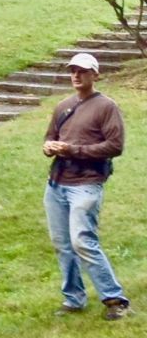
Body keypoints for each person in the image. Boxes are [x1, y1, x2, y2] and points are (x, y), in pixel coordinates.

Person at [44, 52, 129, 319]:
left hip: (87, 184)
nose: (76, 75)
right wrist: (49, 147)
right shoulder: (63, 106)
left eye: (82, 71)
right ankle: (73, 299)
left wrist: (73, 150)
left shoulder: (106, 107)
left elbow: (115, 146)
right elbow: (49, 138)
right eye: (72, 71)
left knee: (82, 240)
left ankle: (115, 300)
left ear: (95, 74)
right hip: (57, 184)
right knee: (62, 244)